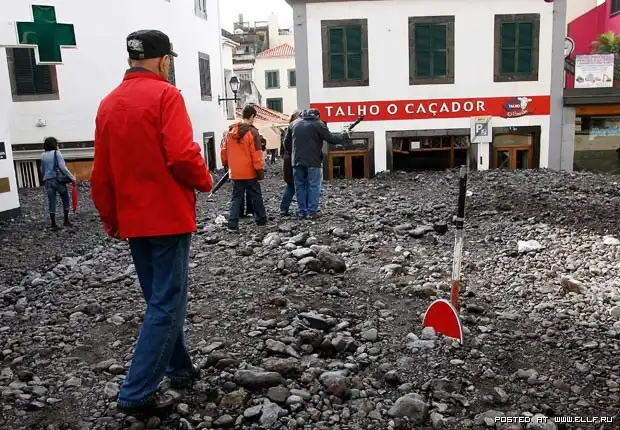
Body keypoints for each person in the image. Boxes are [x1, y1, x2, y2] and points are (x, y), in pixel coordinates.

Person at [91, 29, 213, 415]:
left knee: (158, 299)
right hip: (168, 217)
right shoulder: (166, 95)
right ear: (163, 61)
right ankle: (136, 391)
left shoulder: (108, 104)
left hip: (132, 219)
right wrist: (204, 180)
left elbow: (100, 173)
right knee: (167, 302)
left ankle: (180, 369)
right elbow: (182, 154)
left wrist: (111, 218)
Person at [284, 108, 349, 218]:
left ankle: (302, 211)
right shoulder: (318, 124)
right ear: (317, 116)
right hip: (313, 161)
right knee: (313, 185)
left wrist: (295, 153)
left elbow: (286, 143)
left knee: (299, 186)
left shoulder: (294, 124)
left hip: (297, 161)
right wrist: (345, 135)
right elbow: (332, 139)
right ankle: (312, 211)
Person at [221, 104, 267, 231]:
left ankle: (232, 223)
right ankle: (261, 219)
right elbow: (257, 154)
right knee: (256, 195)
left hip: (235, 172)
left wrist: (227, 165)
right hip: (249, 171)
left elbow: (224, 151)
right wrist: (259, 171)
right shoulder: (253, 132)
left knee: (236, 197)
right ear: (252, 116)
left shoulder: (230, 132)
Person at [40, 137, 76, 230]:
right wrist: (72, 178)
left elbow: (42, 170)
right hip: (58, 180)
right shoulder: (57, 153)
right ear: (54, 144)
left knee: (52, 201)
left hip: (48, 181)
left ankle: (53, 223)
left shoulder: (43, 155)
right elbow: (63, 168)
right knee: (65, 199)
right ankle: (66, 220)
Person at [280, 110, 300, 216]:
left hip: (287, 160)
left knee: (290, 186)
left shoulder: (287, 130)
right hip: (293, 160)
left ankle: (284, 208)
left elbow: (283, 148)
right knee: (295, 185)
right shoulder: (295, 130)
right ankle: (302, 208)